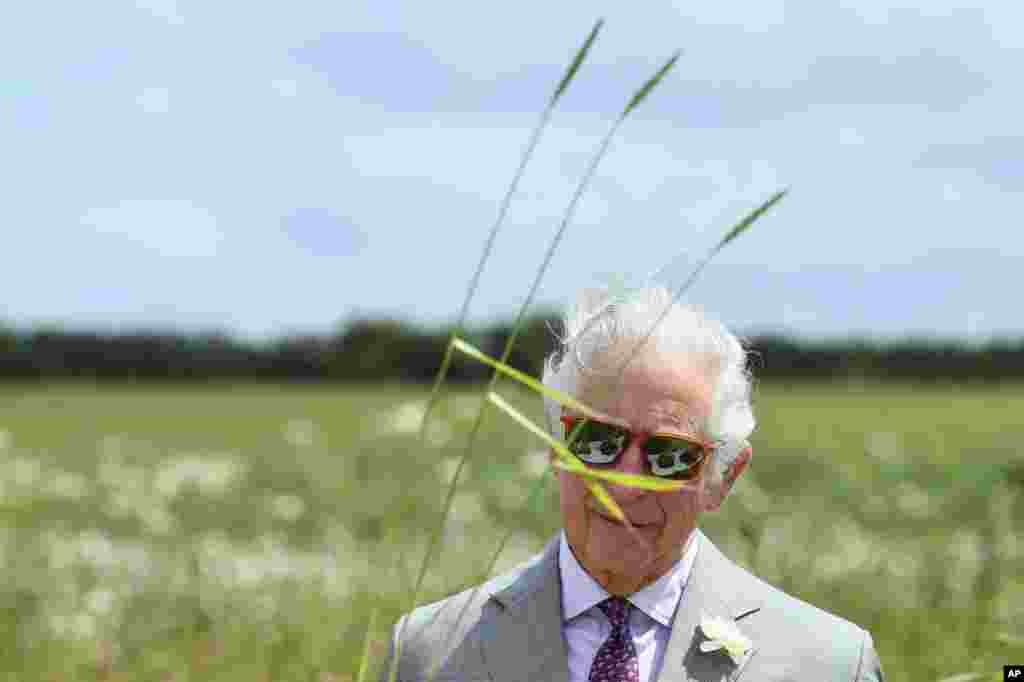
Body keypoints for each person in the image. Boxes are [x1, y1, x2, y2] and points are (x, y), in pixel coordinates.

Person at [382, 286, 884, 682]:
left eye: (668, 456)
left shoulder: (828, 664)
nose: (624, 484)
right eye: (598, 441)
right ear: (556, 449)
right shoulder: (428, 653)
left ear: (723, 477)